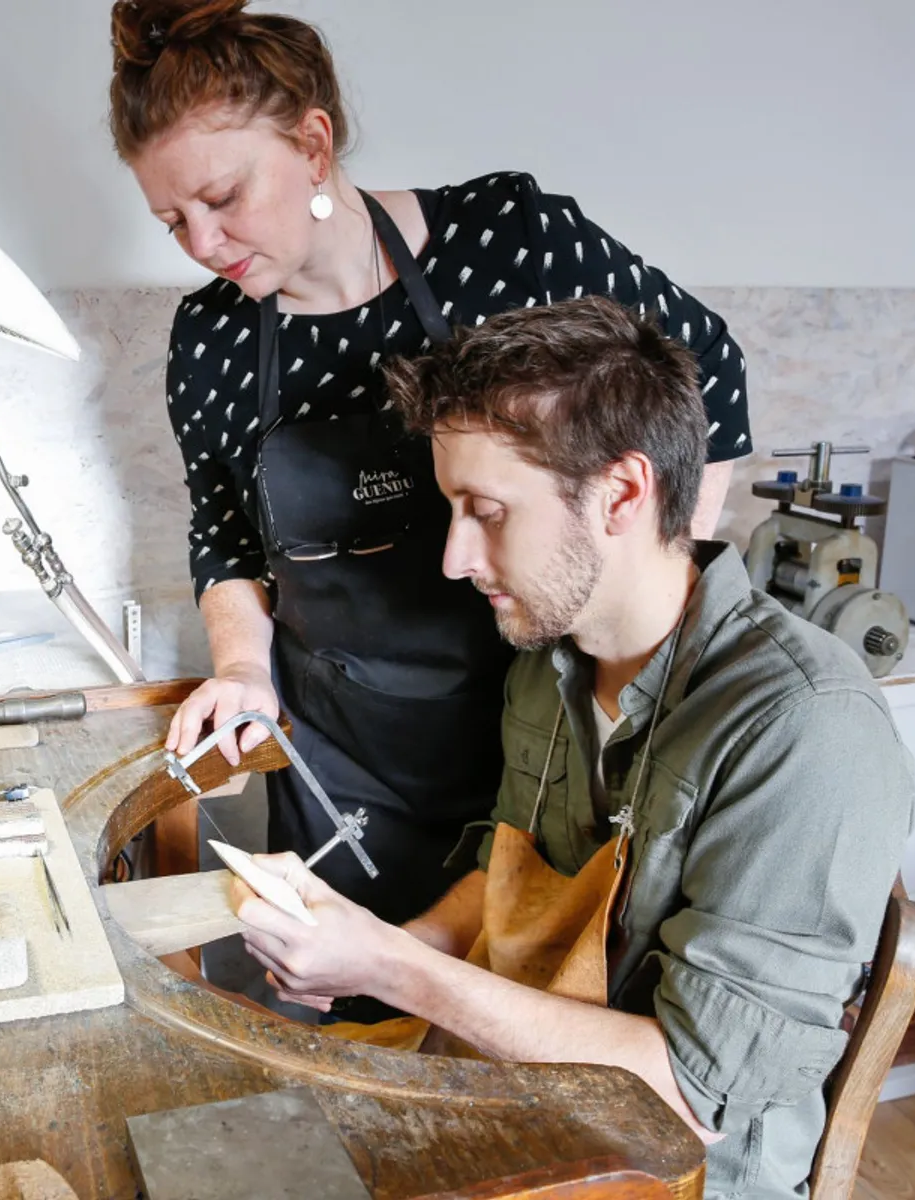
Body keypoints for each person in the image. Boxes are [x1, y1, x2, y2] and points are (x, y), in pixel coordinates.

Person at [226, 297, 915, 1200]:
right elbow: (507, 873)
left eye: (486, 511)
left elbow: (689, 1094)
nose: (454, 558)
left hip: (672, 1172)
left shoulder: (805, 728)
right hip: (520, 1100)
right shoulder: (547, 664)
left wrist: (390, 968)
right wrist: (374, 944)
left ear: (622, 494)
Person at [108, 0, 754, 940]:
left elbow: (709, 377)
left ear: (313, 144)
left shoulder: (510, 243)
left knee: (529, 991)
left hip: (546, 740)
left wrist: (643, 628)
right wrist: (243, 668)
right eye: (173, 221)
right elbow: (226, 535)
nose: (203, 244)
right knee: (353, 1000)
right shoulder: (211, 339)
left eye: (223, 198)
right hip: (343, 766)